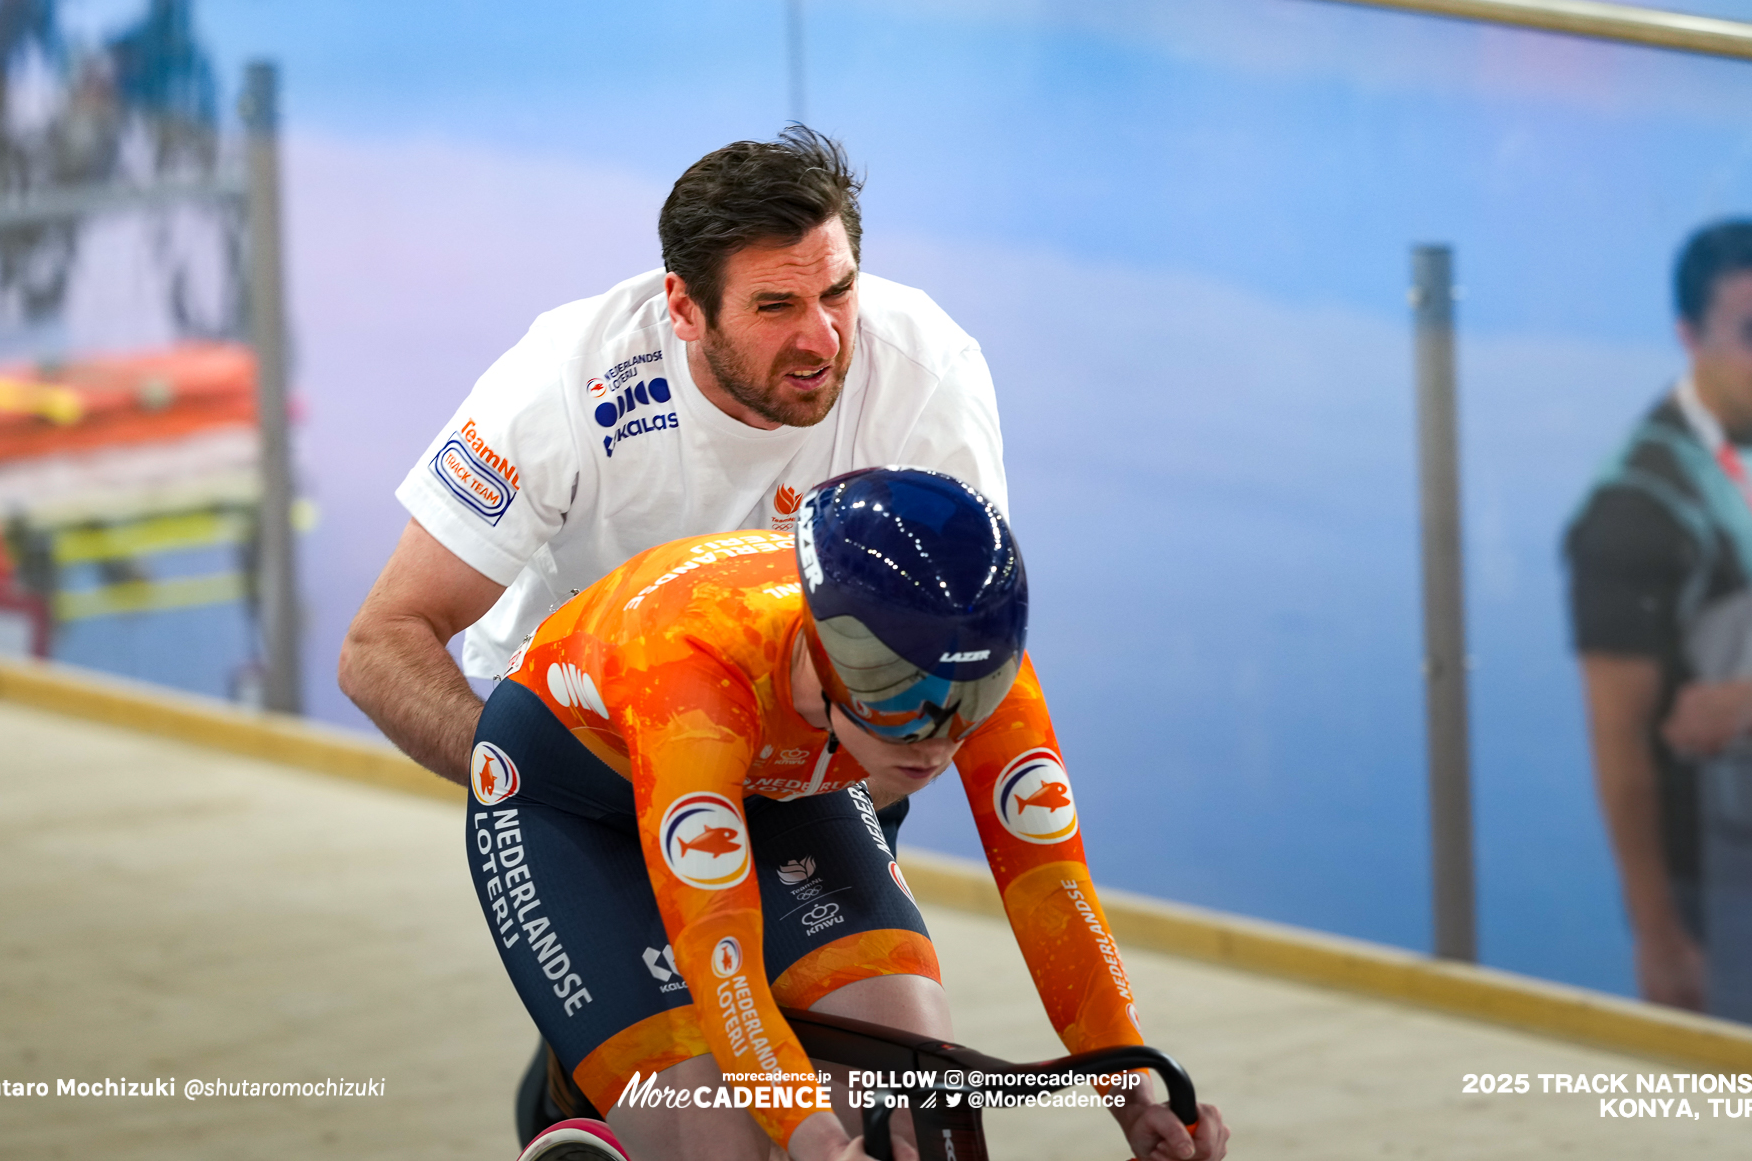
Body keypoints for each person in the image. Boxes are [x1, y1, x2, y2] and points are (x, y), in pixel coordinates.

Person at [465, 468, 1226, 1161]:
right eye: (892, 694)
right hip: (571, 805)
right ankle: (578, 1091)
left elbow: (1051, 892)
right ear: (824, 649)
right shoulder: (694, 675)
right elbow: (719, 950)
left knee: (917, 1113)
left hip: (777, 784)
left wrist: (1135, 1095)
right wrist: (819, 1141)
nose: (935, 742)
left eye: (970, 707)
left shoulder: (966, 665)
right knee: (723, 1145)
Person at [339, 125, 1005, 787]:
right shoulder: (564, 381)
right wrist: (525, 781)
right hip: (590, 745)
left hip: (816, 749)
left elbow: (968, 634)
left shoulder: (931, 375)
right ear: (684, 308)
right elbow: (381, 640)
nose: (821, 338)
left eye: (838, 292)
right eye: (776, 306)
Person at [1565, 218, 1752, 1012]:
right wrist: (1659, 935)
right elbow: (1618, 737)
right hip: (1737, 879)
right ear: (1690, 336)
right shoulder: (1638, 509)